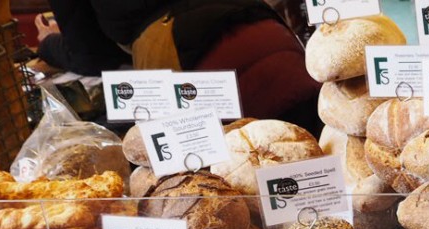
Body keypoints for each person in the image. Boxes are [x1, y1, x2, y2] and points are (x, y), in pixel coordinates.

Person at [36, 0, 320, 131]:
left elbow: (91, 55)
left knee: (228, 201)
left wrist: (49, 44)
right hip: (268, 33)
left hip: (189, 62)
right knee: (321, 171)